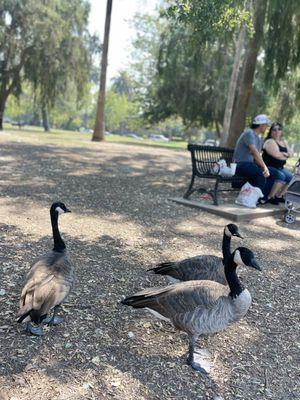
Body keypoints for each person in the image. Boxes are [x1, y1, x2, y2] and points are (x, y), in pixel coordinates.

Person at [233, 114, 281, 204]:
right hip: (240, 164)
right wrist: (264, 168)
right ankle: (254, 199)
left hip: (249, 165)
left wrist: (265, 167)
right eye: (266, 125)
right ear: (261, 125)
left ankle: (262, 198)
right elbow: (254, 152)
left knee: (273, 172)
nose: (267, 128)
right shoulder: (249, 133)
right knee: (261, 174)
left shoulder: (257, 138)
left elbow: (258, 155)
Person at [262, 122, 293, 202]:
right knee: (281, 176)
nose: (277, 132)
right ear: (271, 132)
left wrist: (283, 154)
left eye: (279, 129)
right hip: (268, 166)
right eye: (274, 130)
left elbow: (291, 153)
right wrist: (286, 155)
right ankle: (270, 197)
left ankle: (279, 196)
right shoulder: (269, 141)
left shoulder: (283, 142)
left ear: (281, 131)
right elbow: (276, 155)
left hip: (280, 167)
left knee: (291, 177)